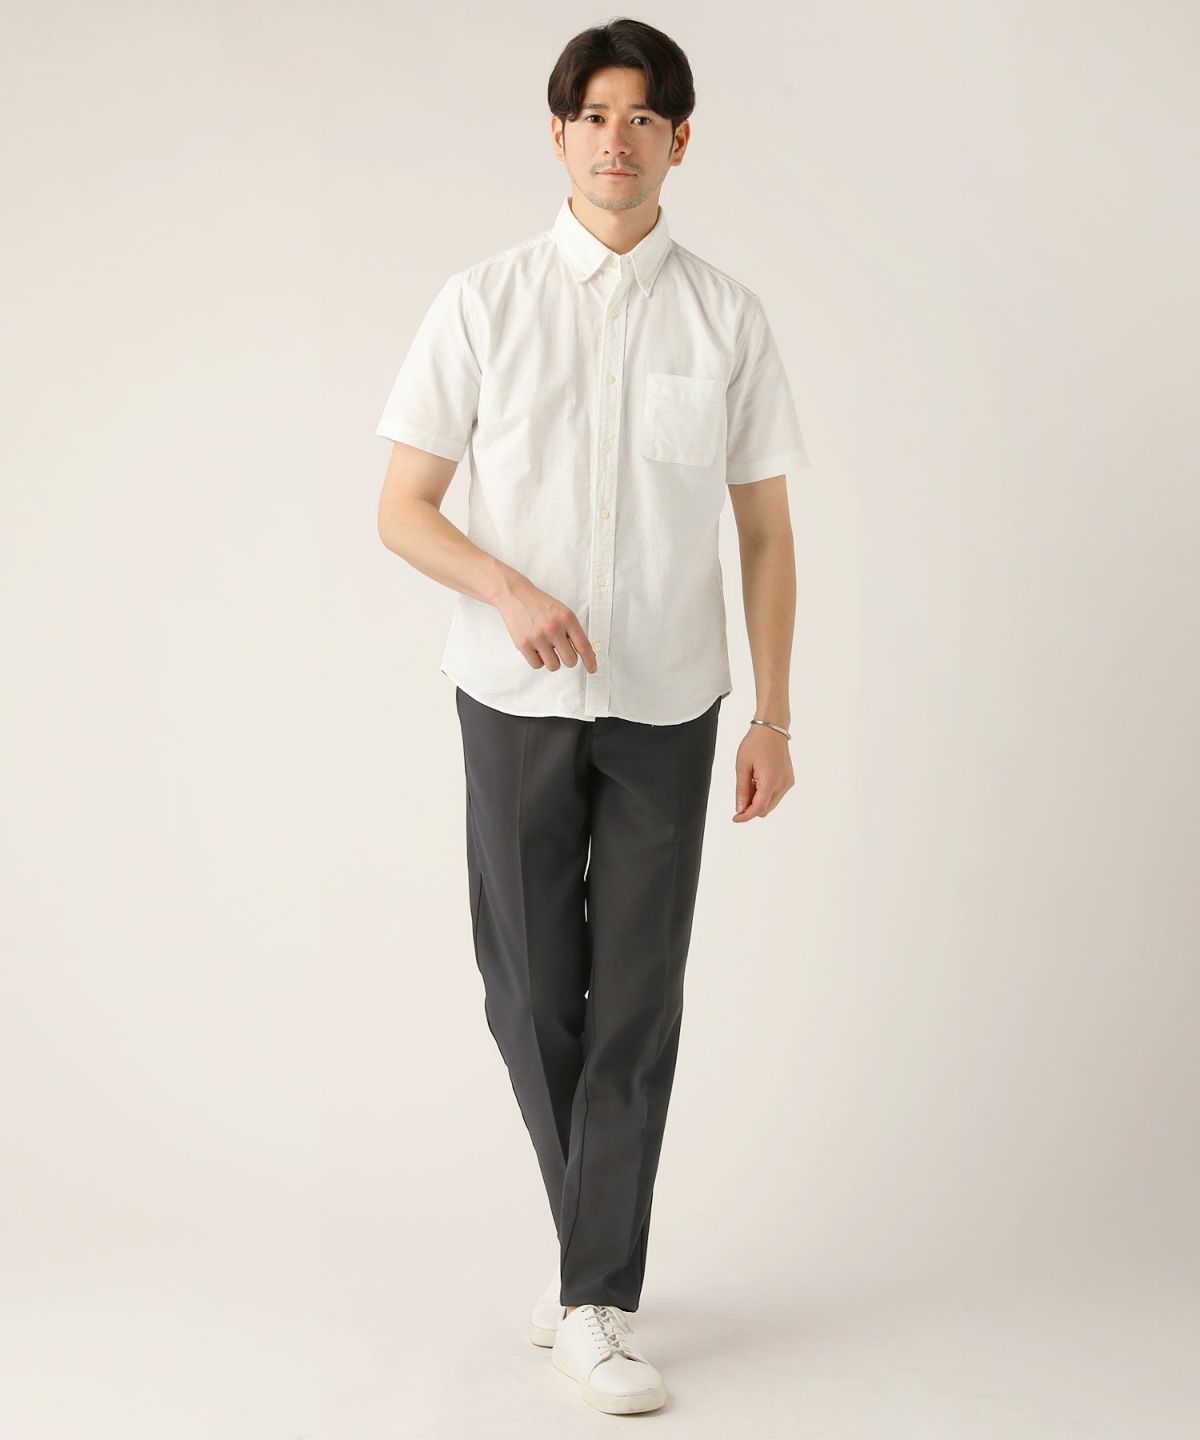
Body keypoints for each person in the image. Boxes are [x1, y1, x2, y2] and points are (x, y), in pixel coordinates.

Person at [375, 17, 809, 1416]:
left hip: (670, 708)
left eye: (644, 117)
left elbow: (764, 536)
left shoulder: (727, 318)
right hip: (513, 701)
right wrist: (508, 590)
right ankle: (589, 1252)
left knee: (634, 1004)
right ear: (557, 133)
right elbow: (402, 508)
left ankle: (595, 1298)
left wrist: (774, 716)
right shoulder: (482, 303)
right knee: (524, 994)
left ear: (682, 139)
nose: (617, 140)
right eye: (595, 116)